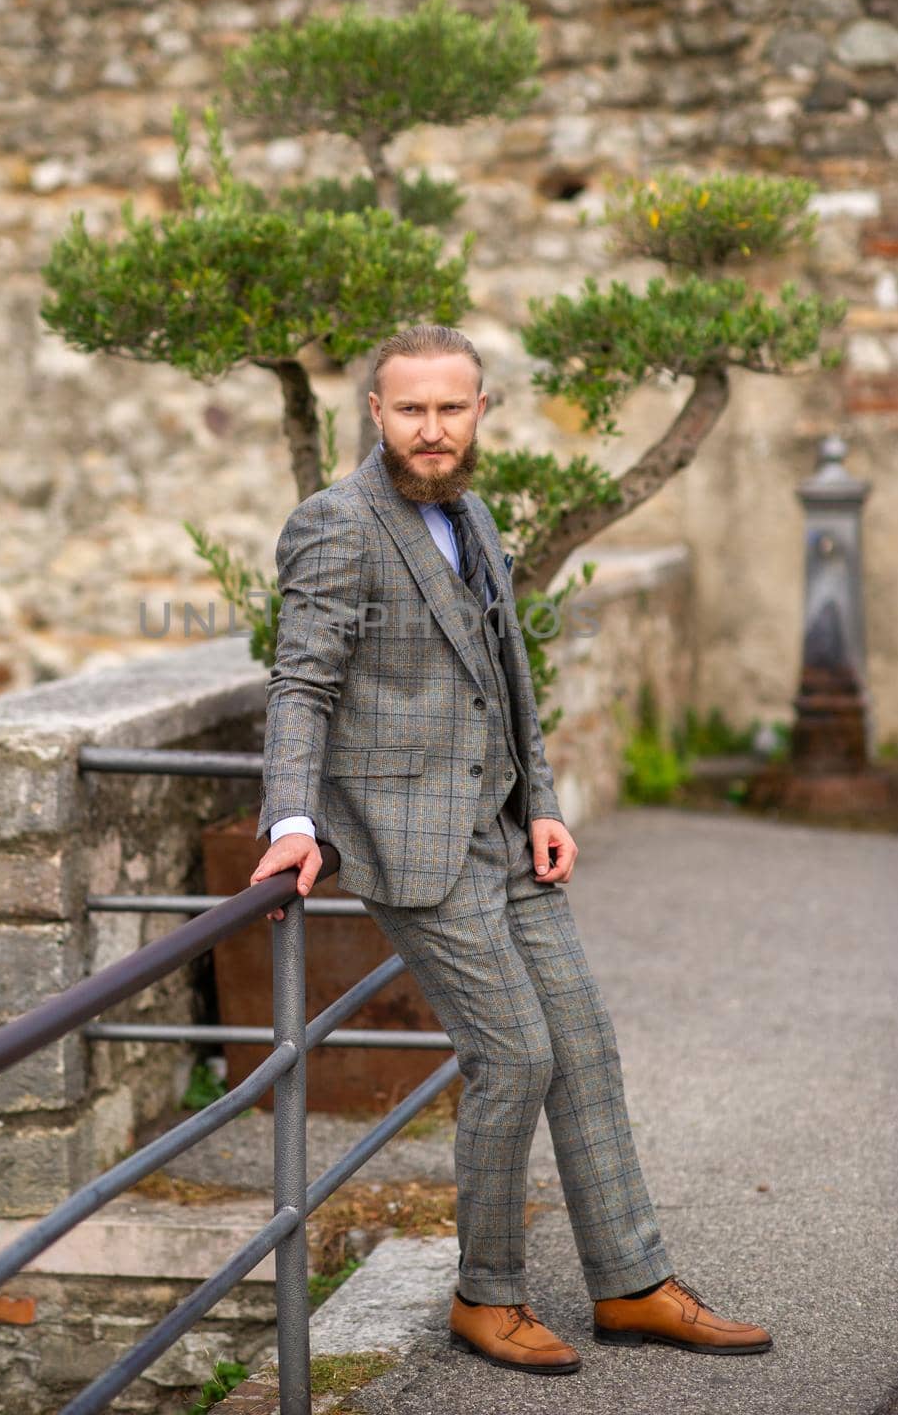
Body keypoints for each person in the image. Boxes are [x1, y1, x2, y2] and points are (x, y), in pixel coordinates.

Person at [249, 323, 771, 1374]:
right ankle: (486, 1297)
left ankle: (630, 1282)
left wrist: (545, 800)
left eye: (452, 408)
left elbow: (509, 678)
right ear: (377, 414)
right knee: (514, 1056)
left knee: (584, 1050)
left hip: (504, 831)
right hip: (411, 844)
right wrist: (292, 822)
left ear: (482, 410)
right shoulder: (335, 524)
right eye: (411, 410)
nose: (432, 429)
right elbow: (300, 682)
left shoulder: (475, 512)